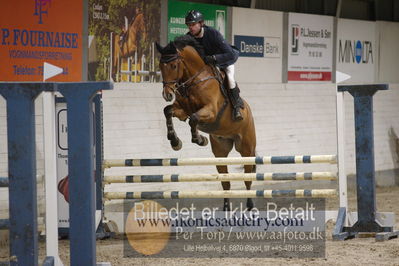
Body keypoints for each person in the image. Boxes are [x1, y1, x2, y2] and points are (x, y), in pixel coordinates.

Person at [185, 10, 243, 121]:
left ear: (201, 23)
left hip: (225, 60)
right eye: (189, 25)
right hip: (208, 64)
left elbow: (229, 53)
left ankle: (237, 107)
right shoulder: (189, 37)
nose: (190, 27)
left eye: (193, 24)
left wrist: (215, 58)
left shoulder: (212, 33)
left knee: (230, 78)